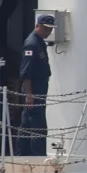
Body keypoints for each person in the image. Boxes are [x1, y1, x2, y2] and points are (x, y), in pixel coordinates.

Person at [17, 13, 56, 156]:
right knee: (36, 124)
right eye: (46, 29)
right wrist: (29, 95)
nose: (48, 32)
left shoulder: (40, 42)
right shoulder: (32, 44)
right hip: (33, 89)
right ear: (37, 26)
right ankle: (36, 155)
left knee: (28, 122)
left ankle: (23, 153)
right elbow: (26, 72)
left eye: (50, 29)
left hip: (39, 88)